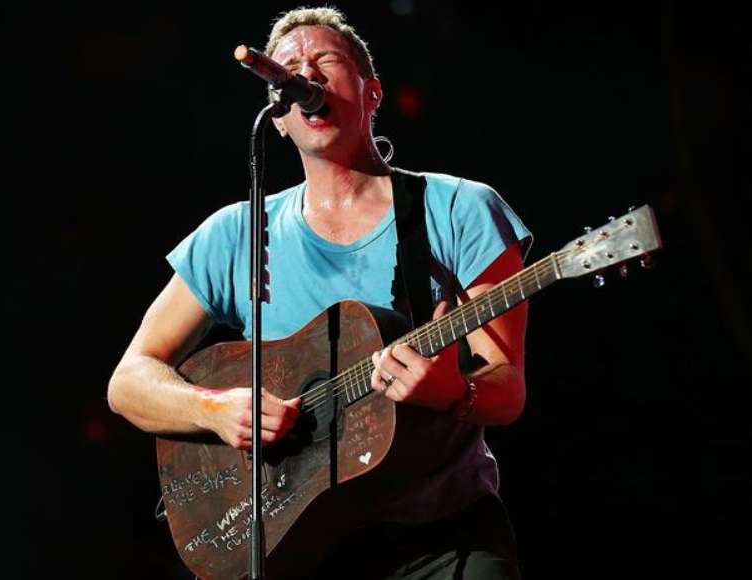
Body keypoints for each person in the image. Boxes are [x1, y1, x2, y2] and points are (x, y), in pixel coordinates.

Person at [108, 7, 531, 579]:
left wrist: (456, 392)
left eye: (325, 60)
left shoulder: (460, 209)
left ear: (372, 92)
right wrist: (215, 410)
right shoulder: (237, 233)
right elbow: (129, 382)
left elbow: (508, 389)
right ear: (279, 120)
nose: (305, 73)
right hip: (298, 544)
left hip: (440, 534)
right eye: (288, 67)